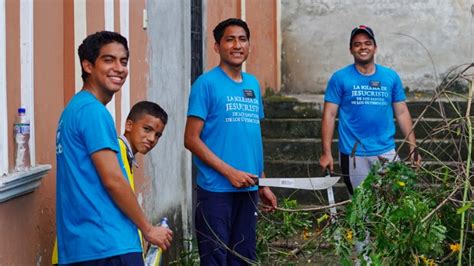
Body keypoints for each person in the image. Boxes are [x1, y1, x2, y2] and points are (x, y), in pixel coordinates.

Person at [55, 31, 172, 265]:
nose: (119, 68)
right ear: (88, 65)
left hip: (82, 246)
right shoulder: (93, 111)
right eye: (109, 60)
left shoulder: (73, 110)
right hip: (107, 245)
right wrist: (148, 229)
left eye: (124, 61)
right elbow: (113, 179)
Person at [184, 18, 277, 265]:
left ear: (249, 45)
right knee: (216, 259)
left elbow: (251, 139)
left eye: (243, 39)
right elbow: (191, 139)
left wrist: (263, 182)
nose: (237, 45)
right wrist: (229, 173)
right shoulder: (205, 84)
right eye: (230, 39)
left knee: (244, 258)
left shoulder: (253, 85)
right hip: (216, 190)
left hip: (248, 189)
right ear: (217, 46)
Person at [319, 25, 421, 195]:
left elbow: (402, 112)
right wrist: (326, 153)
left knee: (390, 204)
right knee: (360, 207)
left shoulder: (390, 77)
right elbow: (329, 116)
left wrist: (413, 147)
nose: (363, 47)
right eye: (357, 44)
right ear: (351, 49)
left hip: (386, 151)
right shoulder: (340, 78)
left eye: (367, 43)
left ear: (375, 47)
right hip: (353, 154)